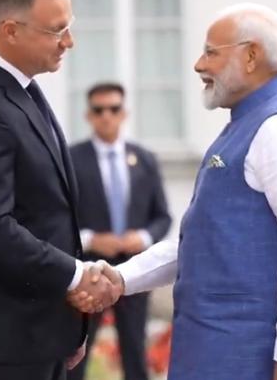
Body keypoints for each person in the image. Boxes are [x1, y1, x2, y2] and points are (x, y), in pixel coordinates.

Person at [71, 3, 277, 380]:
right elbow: (203, 242)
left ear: (252, 55)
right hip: (222, 352)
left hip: (255, 357)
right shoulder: (244, 126)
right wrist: (122, 278)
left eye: (211, 52)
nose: (199, 65)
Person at [0, 0, 118, 380]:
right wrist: (76, 277)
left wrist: (68, 322)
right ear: (10, 31)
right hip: (5, 344)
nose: (69, 42)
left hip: (39, 334)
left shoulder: (19, 90)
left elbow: (48, 214)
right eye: (57, 30)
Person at [68, 83, 171, 380]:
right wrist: (91, 238)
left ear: (124, 113)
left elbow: (162, 216)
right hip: (88, 268)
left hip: (134, 269)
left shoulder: (144, 159)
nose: (106, 116)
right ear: (89, 115)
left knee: (134, 349)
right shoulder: (73, 159)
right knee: (77, 349)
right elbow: (58, 218)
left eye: (113, 109)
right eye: (99, 110)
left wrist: (142, 238)